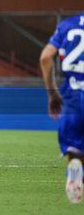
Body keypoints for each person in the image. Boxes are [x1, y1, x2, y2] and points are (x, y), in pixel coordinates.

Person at [39, 12, 84, 204]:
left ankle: (74, 169)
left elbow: (45, 57)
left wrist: (52, 93)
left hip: (72, 96)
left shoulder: (68, 25)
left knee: (74, 148)